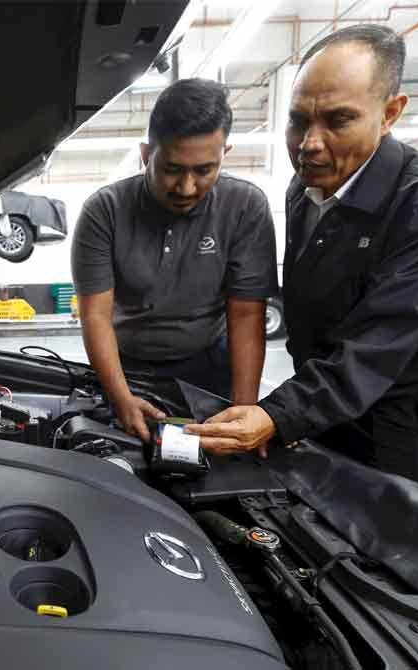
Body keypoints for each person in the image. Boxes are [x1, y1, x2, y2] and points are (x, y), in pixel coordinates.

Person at [187, 25, 418, 496]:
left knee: (395, 534)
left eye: (338, 121)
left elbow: (383, 338)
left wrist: (279, 414)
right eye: (299, 120)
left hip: (404, 419)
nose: (309, 144)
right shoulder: (304, 189)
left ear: (390, 113)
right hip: (329, 403)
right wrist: (291, 410)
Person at [71, 78, 278, 443]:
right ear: (145, 154)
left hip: (210, 366)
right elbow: (95, 316)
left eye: (204, 170)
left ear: (225, 154)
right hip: (127, 369)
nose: (186, 188)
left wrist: (244, 410)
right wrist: (120, 397)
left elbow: (246, 315)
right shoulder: (104, 211)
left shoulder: (246, 207)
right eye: (172, 169)